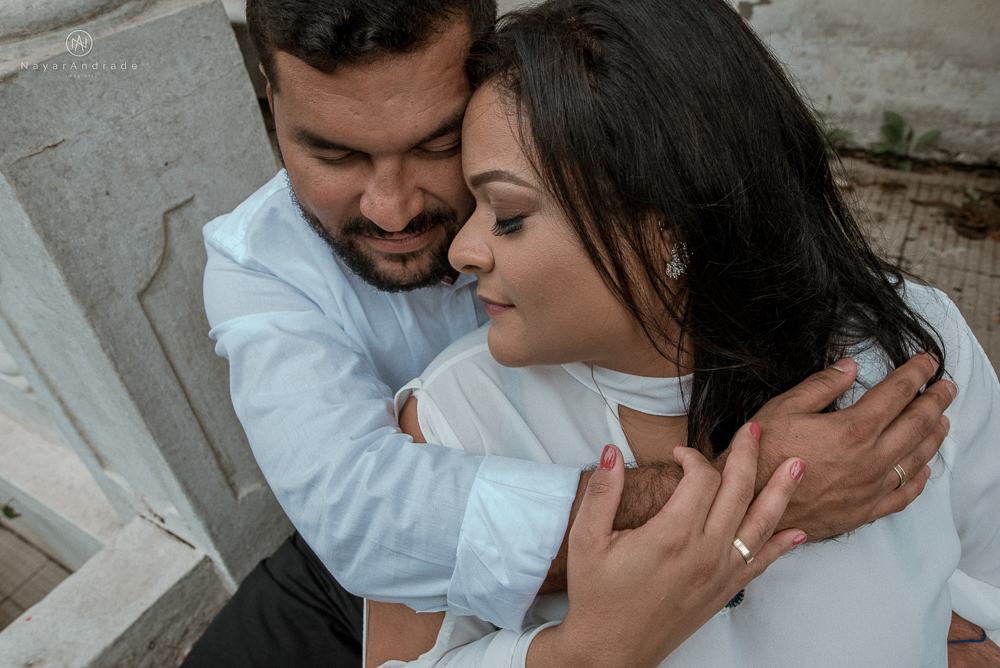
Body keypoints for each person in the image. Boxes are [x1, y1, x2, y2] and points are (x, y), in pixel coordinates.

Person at [183, 0, 958, 665]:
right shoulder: (260, 268)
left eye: (436, 146)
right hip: (353, 581)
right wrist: (748, 493)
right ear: (270, 97)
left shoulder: (883, 340)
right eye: (335, 153)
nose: (391, 209)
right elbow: (363, 520)